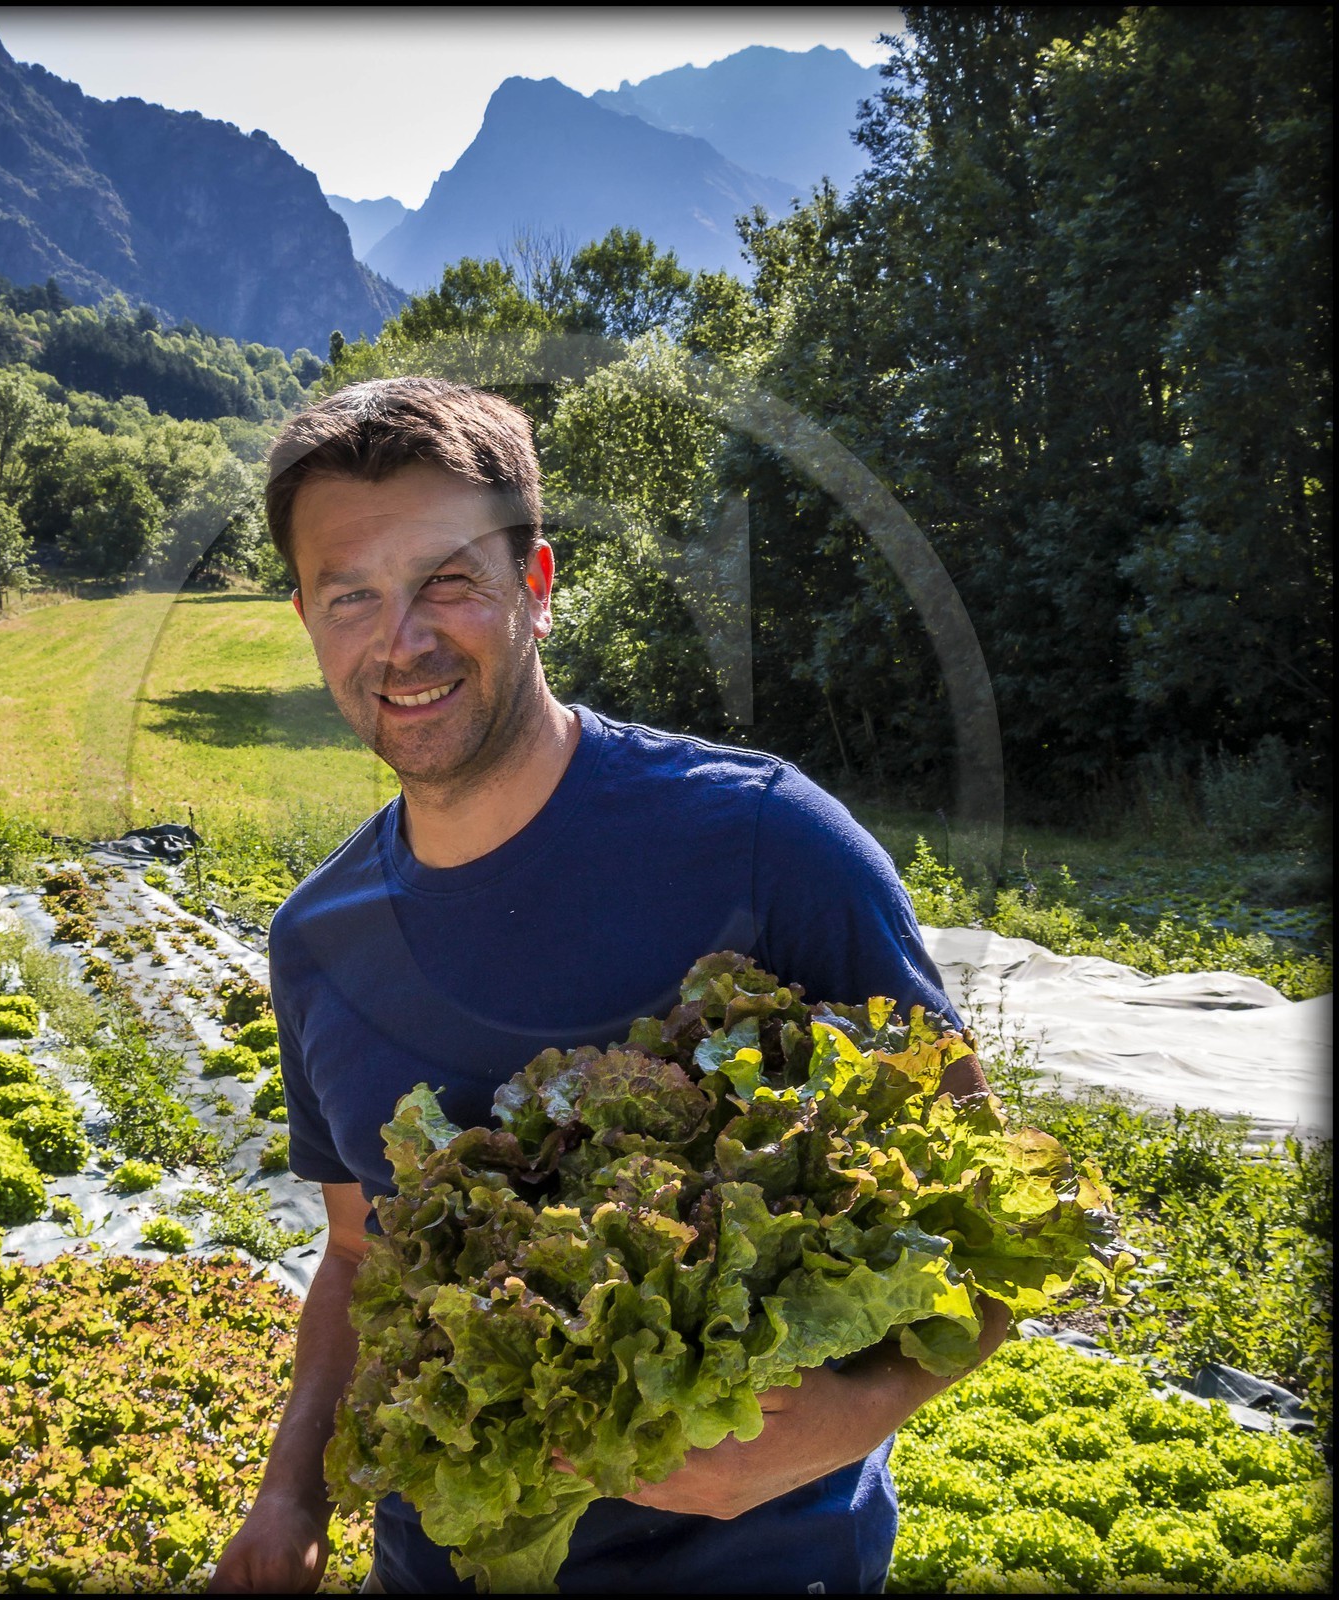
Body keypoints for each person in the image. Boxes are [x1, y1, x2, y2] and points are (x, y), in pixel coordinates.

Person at [208, 377, 1006, 1595]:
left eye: (449, 580)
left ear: (536, 587)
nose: (401, 640)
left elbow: (993, 1212)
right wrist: (289, 1488)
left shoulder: (764, 841)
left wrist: (851, 1418)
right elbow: (359, 1256)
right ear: (310, 620)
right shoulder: (317, 938)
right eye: (351, 594)